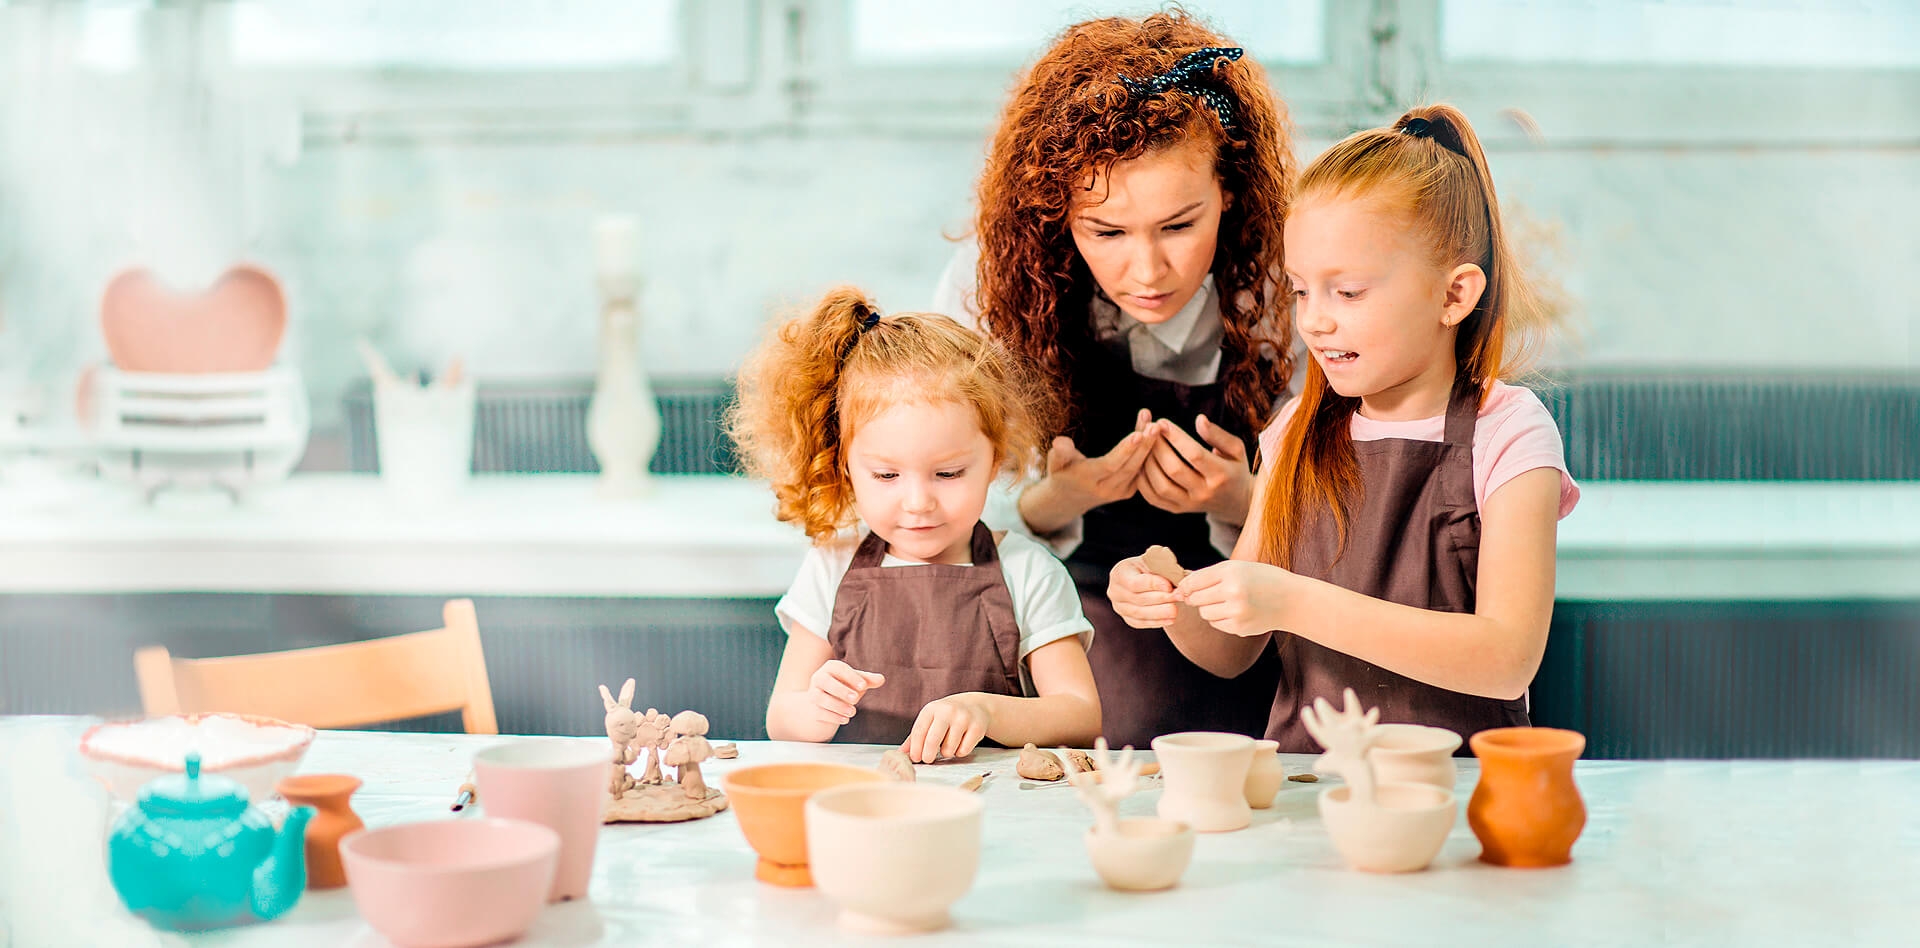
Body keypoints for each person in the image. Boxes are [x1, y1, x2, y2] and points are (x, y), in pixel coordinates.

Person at [1107, 105, 1581, 751]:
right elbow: (1230, 650)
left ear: (1454, 296)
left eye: (1347, 293)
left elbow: (1506, 659)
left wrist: (1289, 601)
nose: (1314, 323)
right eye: (1301, 292)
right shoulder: (1292, 435)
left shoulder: (1510, 432)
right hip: (1310, 791)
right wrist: (1175, 592)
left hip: (1457, 791)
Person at [932, 12, 1300, 747]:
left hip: (1258, 637)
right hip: (1068, 641)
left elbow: (1361, 516)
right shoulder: (991, 291)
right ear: (1056, 211)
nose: (1148, 271)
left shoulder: (1294, 288)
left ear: (1230, 191)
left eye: (1179, 225)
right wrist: (1052, 501)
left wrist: (1244, 501)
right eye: (1107, 233)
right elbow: (934, 505)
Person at [730, 287, 1101, 762]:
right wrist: (816, 707)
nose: (918, 502)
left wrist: (985, 711)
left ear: (995, 460)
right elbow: (781, 717)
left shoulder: (1029, 572)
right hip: (860, 805)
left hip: (991, 811)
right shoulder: (831, 565)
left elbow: (1081, 715)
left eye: (948, 474)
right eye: (886, 475)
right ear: (845, 466)